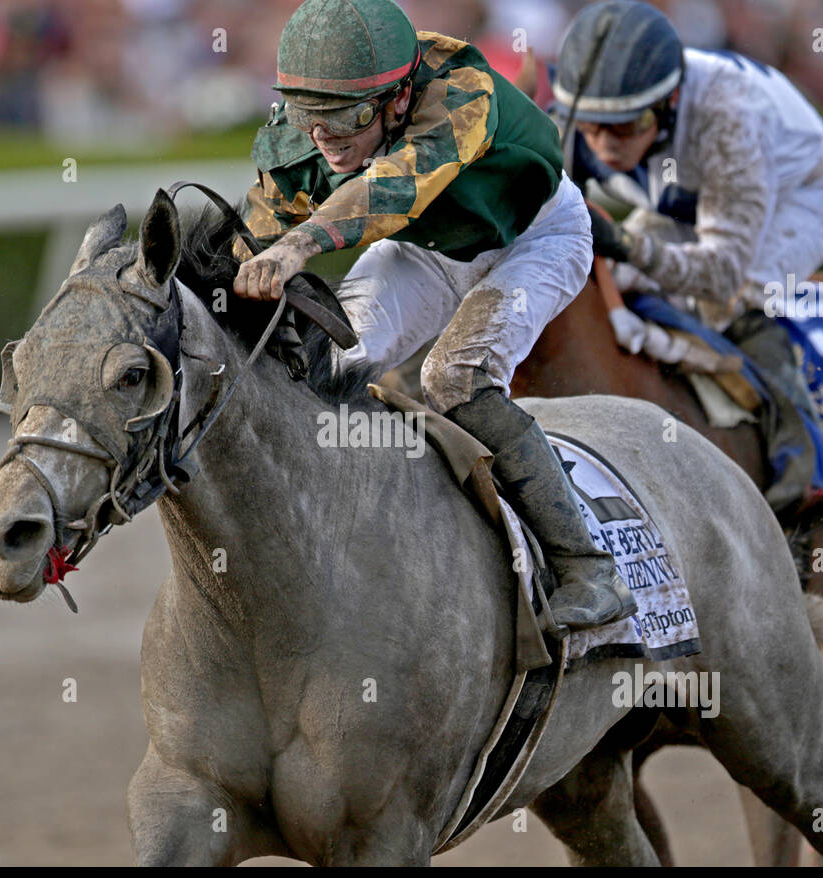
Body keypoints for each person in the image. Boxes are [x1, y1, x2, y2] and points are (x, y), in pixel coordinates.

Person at [233, 0, 635, 630]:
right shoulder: (306, 128)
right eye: (311, 117)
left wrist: (300, 244)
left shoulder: (461, 90)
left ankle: (588, 567)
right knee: (329, 365)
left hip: (535, 238)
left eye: (346, 118)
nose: (324, 138)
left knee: (454, 378)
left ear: (397, 99)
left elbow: (397, 186)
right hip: (428, 249)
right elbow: (249, 236)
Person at [550, 0, 823, 515]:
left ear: (668, 102)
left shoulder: (728, 116)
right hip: (687, 198)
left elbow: (718, 273)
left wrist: (629, 246)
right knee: (626, 278)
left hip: (802, 194)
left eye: (627, 127)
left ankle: (805, 469)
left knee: (734, 301)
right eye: (592, 128)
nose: (604, 146)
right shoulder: (583, 108)